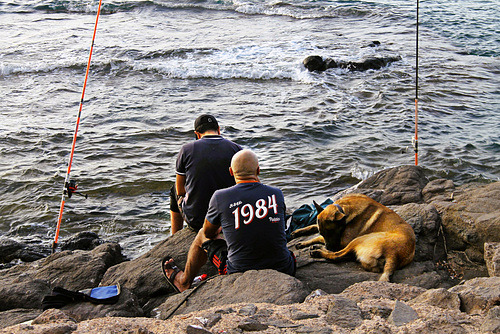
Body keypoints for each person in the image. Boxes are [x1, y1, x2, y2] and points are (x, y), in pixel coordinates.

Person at [162, 149, 296, 293]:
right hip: (285, 268)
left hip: (238, 272)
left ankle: (183, 281)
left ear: (231, 172)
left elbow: (208, 232)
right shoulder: (277, 193)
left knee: (202, 234)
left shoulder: (220, 197)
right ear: (258, 170)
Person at [170, 114, 242, 234]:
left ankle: (175, 235)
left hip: (197, 220)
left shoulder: (186, 150)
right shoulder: (236, 148)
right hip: (229, 216)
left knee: (174, 190)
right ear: (218, 129)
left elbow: (180, 190)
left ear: (197, 134)